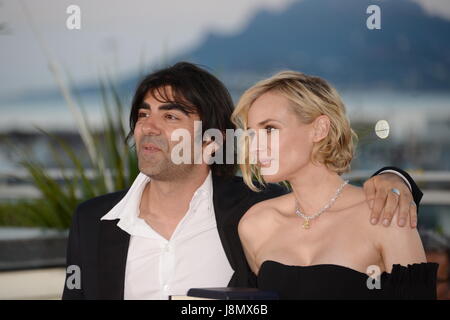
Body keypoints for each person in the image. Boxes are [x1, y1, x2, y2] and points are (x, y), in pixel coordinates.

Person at [63, 62, 423, 300]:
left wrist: (396, 178)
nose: (148, 127)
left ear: (211, 141)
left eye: (170, 116)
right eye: (143, 115)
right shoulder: (91, 221)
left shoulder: (246, 209)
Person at [231, 70, 438, 299]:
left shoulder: (384, 214)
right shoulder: (255, 225)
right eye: (251, 133)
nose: (255, 145)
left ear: (319, 129)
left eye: (270, 129)